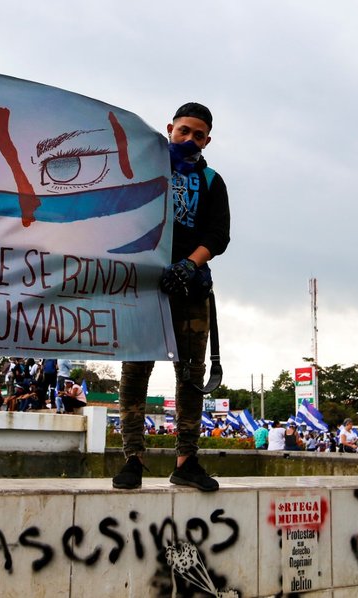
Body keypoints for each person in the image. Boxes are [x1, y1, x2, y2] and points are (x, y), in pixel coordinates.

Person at [113, 102, 231, 492]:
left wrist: (189, 266)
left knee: (191, 378)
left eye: (198, 134)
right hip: (145, 286)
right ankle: (133, 459)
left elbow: (218, 235)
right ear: (169, 128)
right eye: (184, 130)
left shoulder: (213, 180)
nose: (190, 139)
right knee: (134, 373)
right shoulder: (144, 169)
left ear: (208, 139)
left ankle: (186, 461)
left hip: (192, 288)